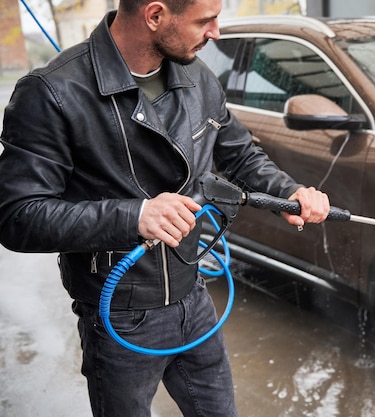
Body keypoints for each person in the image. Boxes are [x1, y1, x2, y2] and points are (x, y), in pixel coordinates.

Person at [0, 0, 330, 415]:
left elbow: (240, 153)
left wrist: (290, 191)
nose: (216, 34)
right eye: (205, 21)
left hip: (193, 293)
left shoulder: (196, 73)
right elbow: (18, 217)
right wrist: (134, 215)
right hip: (119, 311)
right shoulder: (52, 91)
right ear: (155, 15)